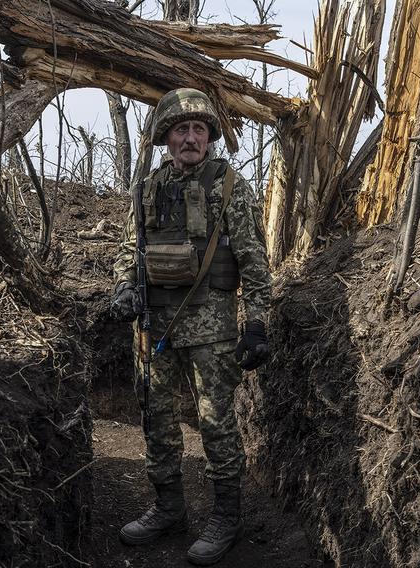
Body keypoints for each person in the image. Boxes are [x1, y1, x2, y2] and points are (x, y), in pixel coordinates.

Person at [110, 87, 271, 566]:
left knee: (216, 425)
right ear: (166, 137)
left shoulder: (230, 187)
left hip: (213, 330)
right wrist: (123, 289)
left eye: (199, 129)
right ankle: (168, 508)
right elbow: (129, 251)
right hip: (154, 329)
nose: (191, 137)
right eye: (182, 129)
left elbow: (256, 263)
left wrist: (256, 324)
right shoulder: (146, 189)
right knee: (157, 424)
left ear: (210, 137)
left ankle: (225, 516)